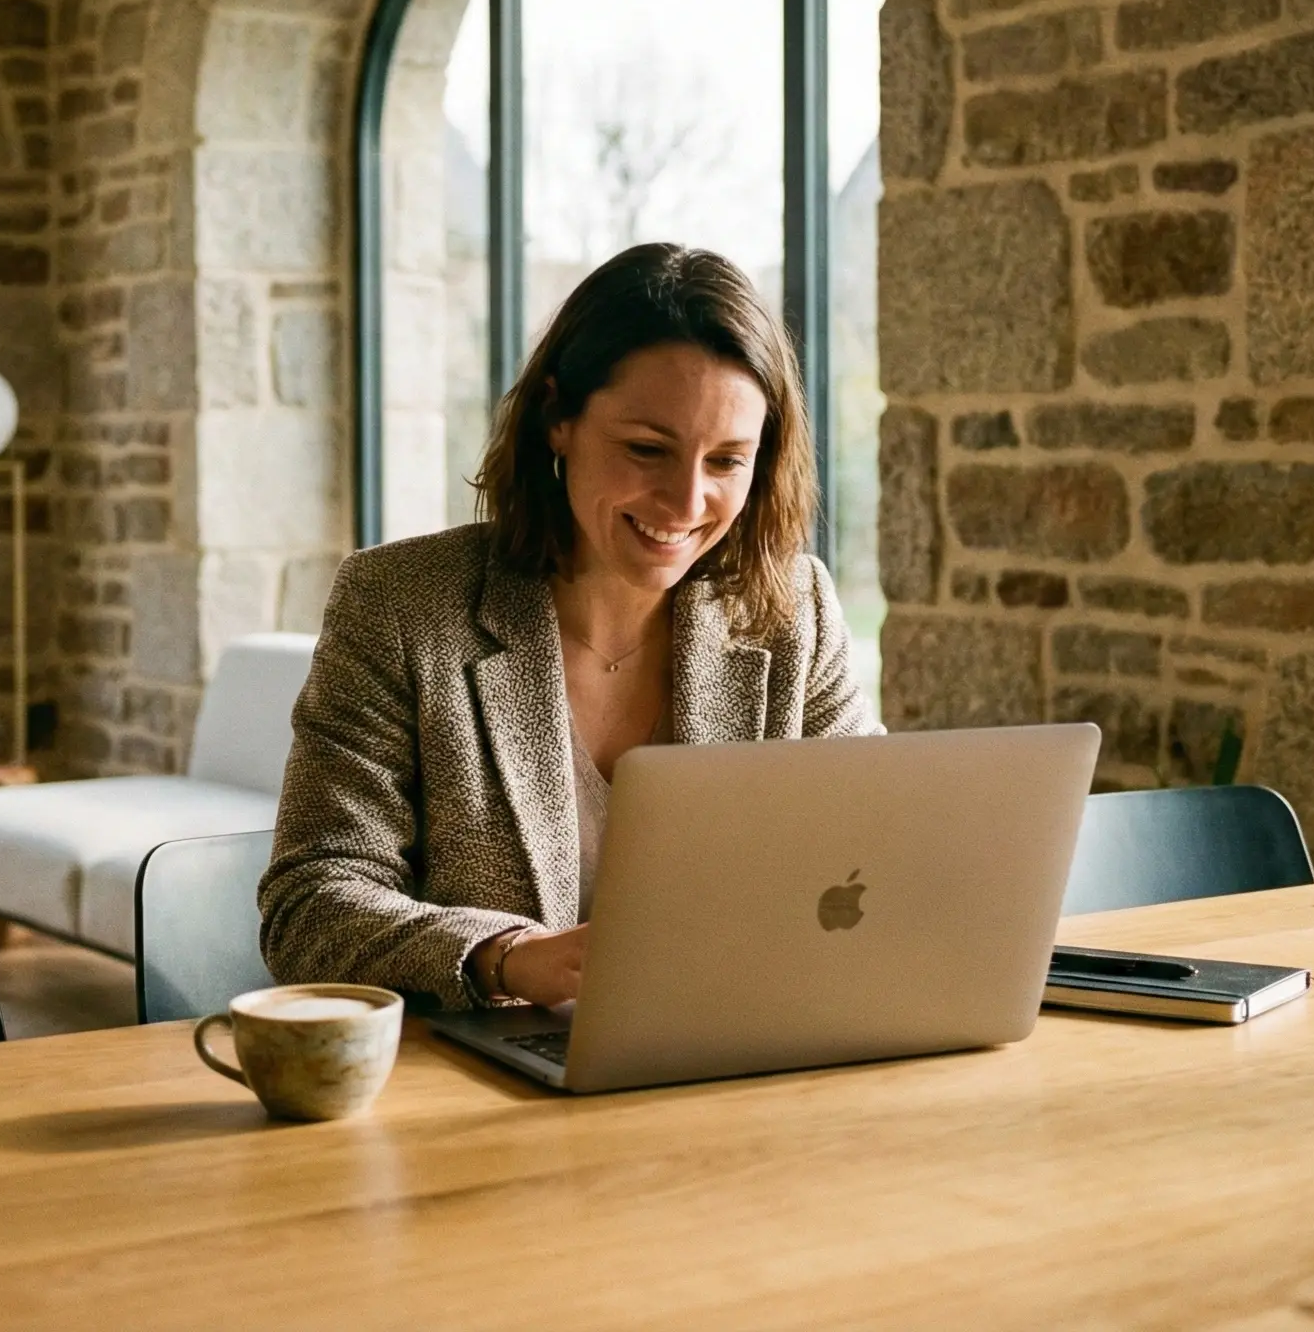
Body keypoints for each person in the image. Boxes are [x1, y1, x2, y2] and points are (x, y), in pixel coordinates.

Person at [259, 242, 878, 1010]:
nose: (685, 504)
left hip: (733, 1056)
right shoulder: (399, 605)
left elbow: (868, 856)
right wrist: (506, 957)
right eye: (646, 450)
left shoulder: (795, 612)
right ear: (558, 419)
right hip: (482, 1085)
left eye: (726, 462)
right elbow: (311, 902)